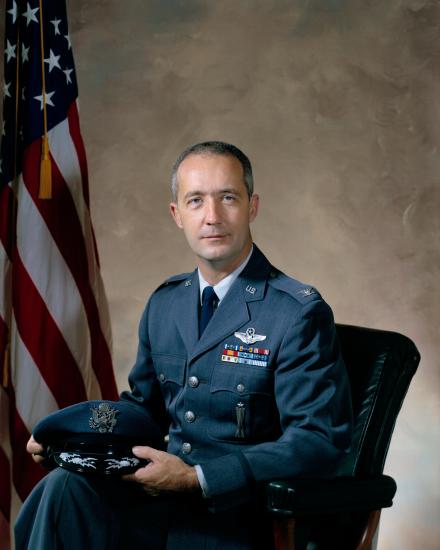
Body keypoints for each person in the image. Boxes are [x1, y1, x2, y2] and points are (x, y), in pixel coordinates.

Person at [16, 141, 353, 549]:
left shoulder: (296, 313)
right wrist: (72, 443)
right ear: (177, 214)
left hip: (238, 515)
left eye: (228, 197)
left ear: (253, 206)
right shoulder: (166, 302)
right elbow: (145, 410)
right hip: (160, 505)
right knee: (65, 489)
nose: (212, 217)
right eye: (196, 201)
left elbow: (317, 440)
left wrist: (197, 479)